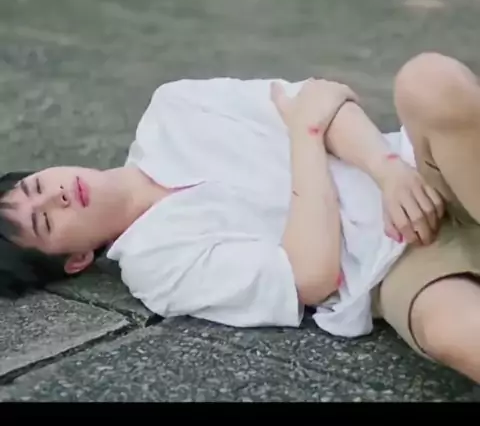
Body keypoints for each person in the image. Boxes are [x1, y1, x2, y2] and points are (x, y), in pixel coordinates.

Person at [1, 51, 480, 385]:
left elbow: (321, 100)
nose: (57, 197)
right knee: (448, 331)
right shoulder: (155, 266)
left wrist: (387, 170)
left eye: (38, 186)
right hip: (394, 268)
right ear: (77, 260)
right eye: (46, 222)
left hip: (417, 171)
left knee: (427, 78)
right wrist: (304, 137)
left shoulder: (175, 109)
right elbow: (310, 277)